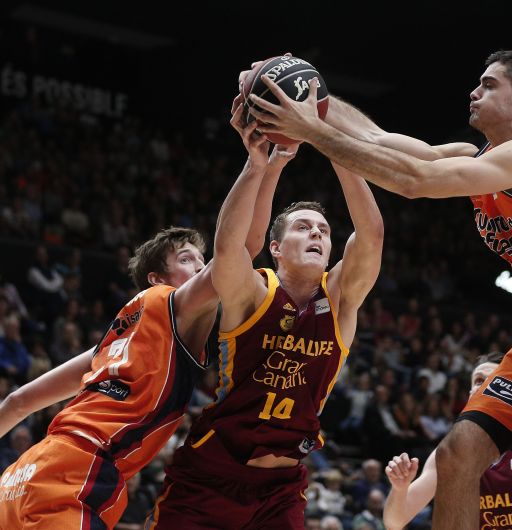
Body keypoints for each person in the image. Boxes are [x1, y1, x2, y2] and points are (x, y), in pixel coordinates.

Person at [248, 49, 512, 529]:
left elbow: (416, 181)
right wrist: (314, 100)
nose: (473, 92)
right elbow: (376, 139)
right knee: (457, 456)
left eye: (488, 85)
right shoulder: (483, 159)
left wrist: (310, 130)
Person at [0, 145, 294, 529]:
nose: (201, 265)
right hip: (80, 474)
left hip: (20, 478)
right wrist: (263, 165)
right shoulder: (170, 303)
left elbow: (18, 401)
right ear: (157, 279)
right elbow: (239, 251)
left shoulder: (107, 349)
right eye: (187, 259)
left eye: (200, 259)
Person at [145, 102, 384, 528]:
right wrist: (260, 166)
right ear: (275, 249)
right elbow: (228, 247)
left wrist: (332, 143)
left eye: (324, 231)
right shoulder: (254, 292)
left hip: (281, 488)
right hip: (210, 476)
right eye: (302, 227)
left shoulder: (342, 299)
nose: (316, 233)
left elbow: (371, 233)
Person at [384, 352, 512, 530]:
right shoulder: (450, 454)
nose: (482, 386)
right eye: (478, 381)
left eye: (493, 380)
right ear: (469, 394)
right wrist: (399, 489)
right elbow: (395, 522)